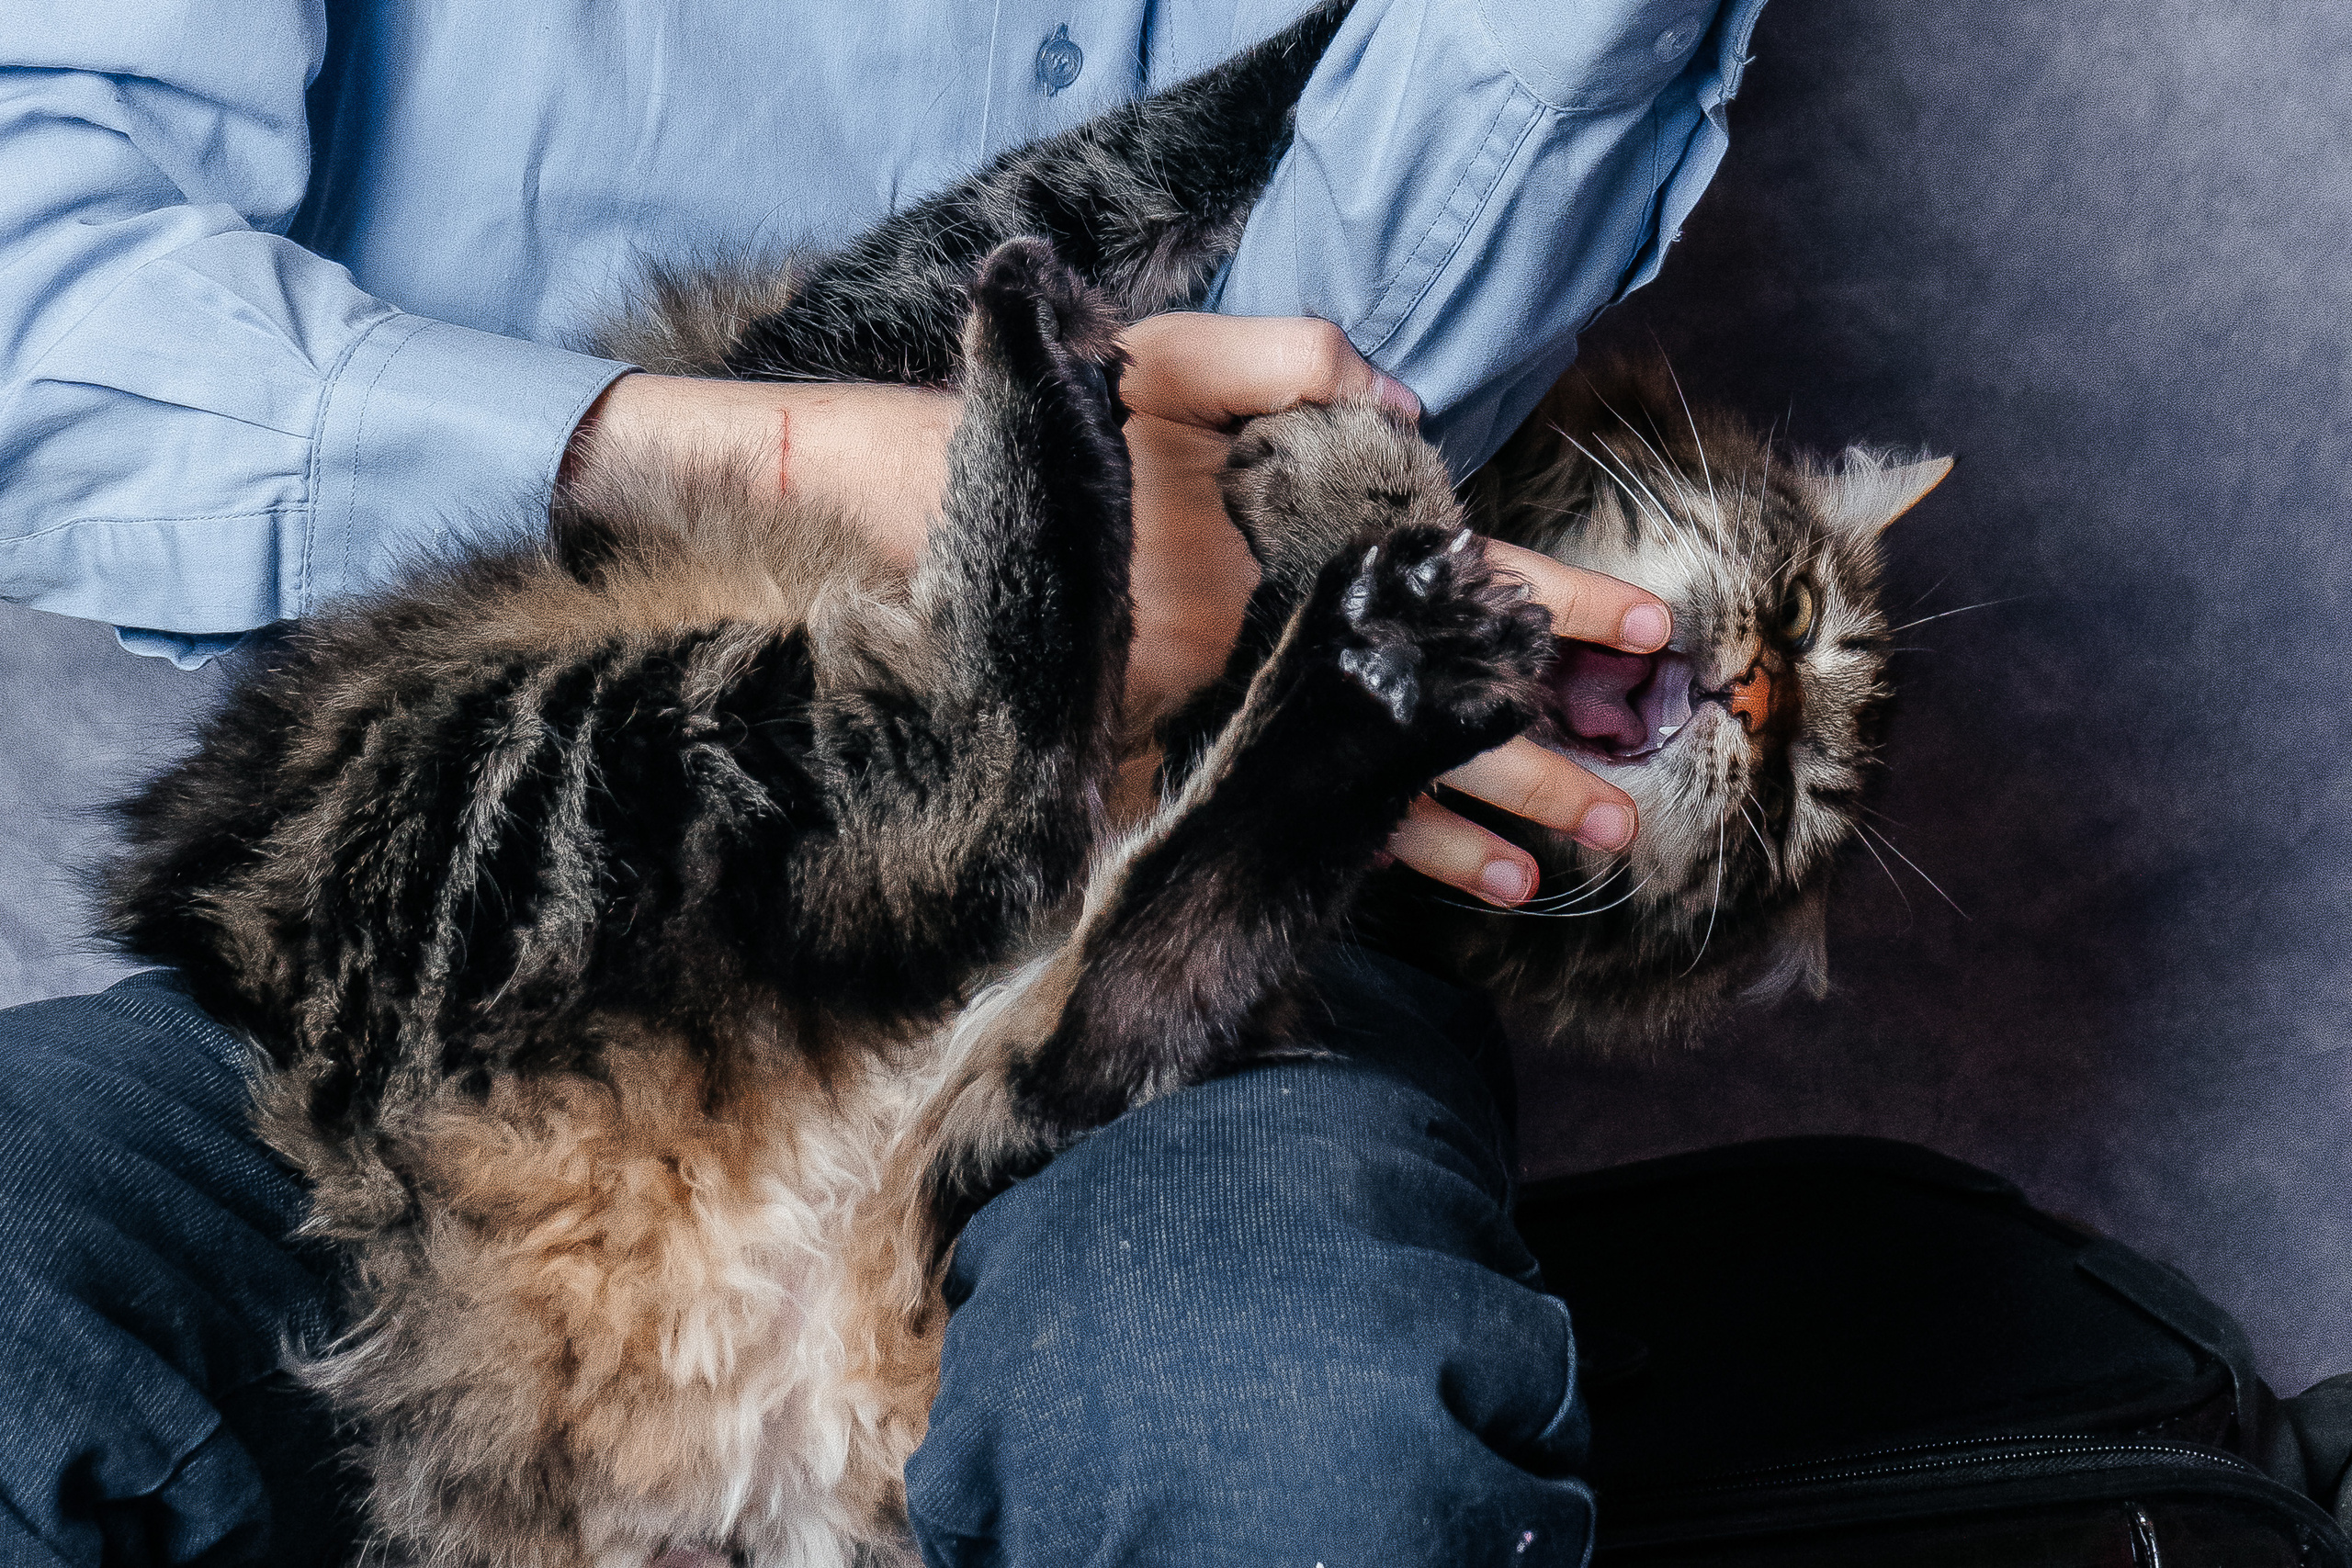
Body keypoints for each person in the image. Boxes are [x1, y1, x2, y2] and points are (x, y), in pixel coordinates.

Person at [0, 0, 1765, 1561]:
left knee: (1289, 1424)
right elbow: (37, 272)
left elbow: (1337, 380)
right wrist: (746, 455)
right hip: (480, 953)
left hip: (1138, 896)